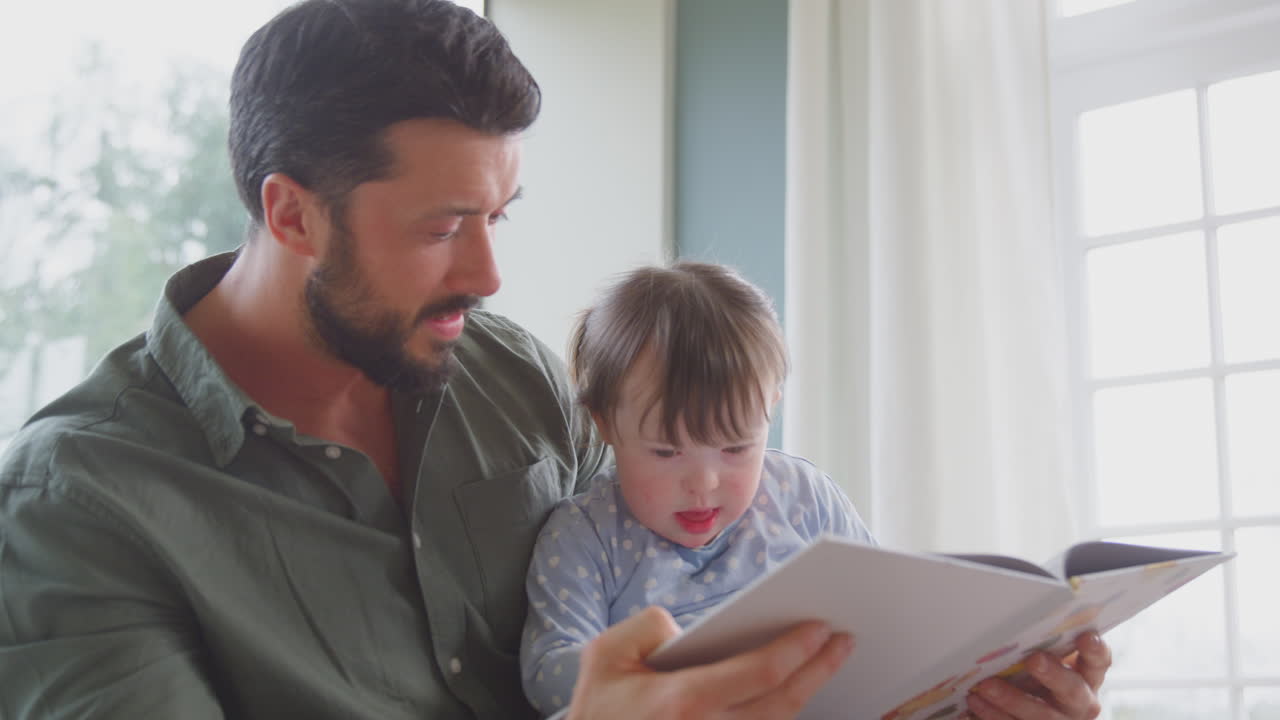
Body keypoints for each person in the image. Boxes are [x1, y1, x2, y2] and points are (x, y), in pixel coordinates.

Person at [0, 1, 1111, 719]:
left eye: (501, 217)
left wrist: (958, 688)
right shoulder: (80, 503)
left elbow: (676, 573)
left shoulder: (510, 377)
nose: (485, 275)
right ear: (290, 214)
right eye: (441, 228)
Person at [520, 262, 877, 715]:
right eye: (666, 453)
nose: (703, 485)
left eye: (735, 448)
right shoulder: (584, 535)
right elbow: (548, 674)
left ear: (771, 407)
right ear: (604, 421)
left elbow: (876, 601)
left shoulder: (804, 498)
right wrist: (668, 674)